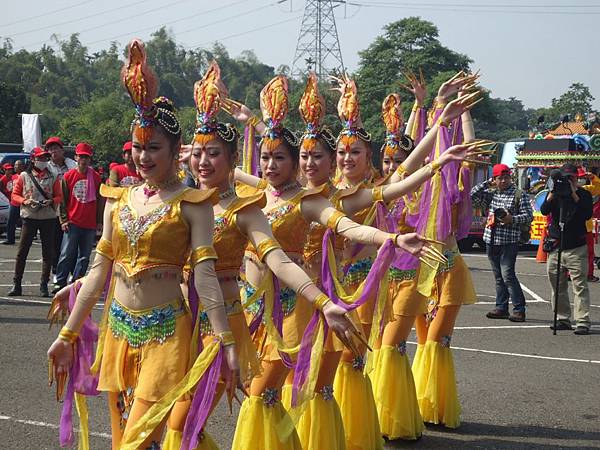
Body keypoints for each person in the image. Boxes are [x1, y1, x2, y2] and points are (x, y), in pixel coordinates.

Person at [47, 39, 241, 450]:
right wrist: (68, 334)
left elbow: (204, 277)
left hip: (168, 334)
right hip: (118, 332)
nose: (143, 157)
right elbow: (100, 270)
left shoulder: (193, 205)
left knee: (135, 439)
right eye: (138, 147)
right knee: (125, 438)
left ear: (177, 153)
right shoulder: (118, 199)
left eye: (154, 148)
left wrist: (225, 340)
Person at [471, 163, 533, 322]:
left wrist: (511, 219)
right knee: (498, 276)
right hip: (491, 239)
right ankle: (501, 307)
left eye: (506, 178)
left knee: (508, 275)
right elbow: (471, 196)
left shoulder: (519, 195)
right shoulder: (491, 193)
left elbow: (528, 216)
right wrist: (487, 183)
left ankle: (519, 309)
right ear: (495, 179)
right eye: (500, 178)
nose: (504, 181)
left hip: (509, 241)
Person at [541, 163, 593, 335]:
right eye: (566, 178)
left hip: (576, 248)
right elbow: (543, 210)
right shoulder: (556, 194)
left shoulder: (583, 194)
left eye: (571, 177)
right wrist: (552, 191)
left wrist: (573, 192)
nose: (568, 181)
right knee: (557, 285)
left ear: (577, 178)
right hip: (556, 246)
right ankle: (562, 318)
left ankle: (582, 321)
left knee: (580, 285)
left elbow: (586, 213)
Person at [7, 147, 61, 297]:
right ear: (33, 159)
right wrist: (26, 200)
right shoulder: (24, 176)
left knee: (48, 253)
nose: (43, 161)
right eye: (40, 158)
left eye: (45, 158)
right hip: (29, 217)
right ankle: (16, 284)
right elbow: (15, 195)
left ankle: (44, 284)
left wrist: (51, 200)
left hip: (48, 218)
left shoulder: (54, 176)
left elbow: (59, 196)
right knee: (22, 251)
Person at [54, 143, 102, 293]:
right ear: (76, 157)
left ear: (90, 159)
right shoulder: (68, 176)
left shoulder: (95, 177)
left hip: (89, 224)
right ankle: (60, 281)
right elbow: (63, 200)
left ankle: (77, 281)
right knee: (66, 253)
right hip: (73, 222)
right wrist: (63, 220)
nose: (84, 160)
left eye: (86, 157)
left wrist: (99, 221)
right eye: (81, 156)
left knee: (85, 257)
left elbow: (100, 201)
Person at [46, 136, 77, 278]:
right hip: (52, 210)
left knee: (71, 243)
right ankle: (56, 271)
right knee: (55, 242)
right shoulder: (46, 167)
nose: (54, 151)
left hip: (72, 209)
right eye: (51, 149)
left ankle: (71, 272)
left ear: (62, 150)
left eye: (56, 148)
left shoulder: (72, 165)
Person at [578, 167, 600, 281]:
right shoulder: (584, 190)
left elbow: (597, 188)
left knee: (585, 252)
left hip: (583, 226)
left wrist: (593, 178)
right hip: (581, 227)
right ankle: (588, 274)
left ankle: (587, 274)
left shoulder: (585, 189)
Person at [3, 159, 25, 245]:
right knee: (11, 222)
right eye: (15, 165)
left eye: (18, 165)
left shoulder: (26, 176)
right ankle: (10, 239)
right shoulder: (13, 177)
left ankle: (24, 240)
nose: (16, 167)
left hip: (23, 203)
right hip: (14, 203)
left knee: (24, 223)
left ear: (22, 166)